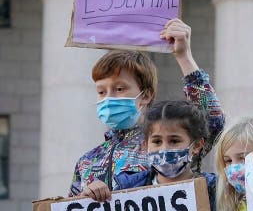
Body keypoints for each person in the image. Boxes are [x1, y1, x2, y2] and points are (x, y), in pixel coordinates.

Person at [68, 19, 224, 200]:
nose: (109, 98)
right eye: (102, 91)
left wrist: (184, 56)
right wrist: (85, 196)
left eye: (119, 89)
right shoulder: (86, 162)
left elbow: (212, 121)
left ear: (146, 95)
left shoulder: (166, 145)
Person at [85, 100, 220, 211]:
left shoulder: (212, 193)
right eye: (157, 141)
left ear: (196, 146)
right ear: (145, 145)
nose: (164, 149)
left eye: (174, 140)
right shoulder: (127, 191)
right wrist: (89, 202)